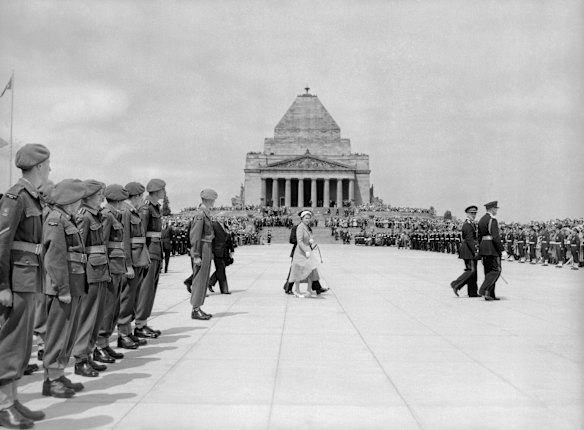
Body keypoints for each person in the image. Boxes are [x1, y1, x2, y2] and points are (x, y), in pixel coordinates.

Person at [0, 144, 51, 428]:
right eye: (48, 165)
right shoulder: (16, 197)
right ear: (40, 167)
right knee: (9, 343)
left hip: (29, 277)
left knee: (21, 345)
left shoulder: (33, 198)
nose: (50, 170)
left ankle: (13, 400)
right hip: (16, 280)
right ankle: (3, 405)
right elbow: (2, 242)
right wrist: (1, 285)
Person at [42, 179, 87, 399]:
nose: (79, 204)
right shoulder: (55, 220)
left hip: (73, 284)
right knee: (58, 335)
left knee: (68, 334)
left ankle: (58, 375)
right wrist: (62, 288)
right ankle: (52, 379)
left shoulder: (67, 219)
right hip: (63, 287)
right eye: (77, 199)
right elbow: (54, 258)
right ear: (69, 201)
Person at [72, 180, 111, 378]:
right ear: (87, 197)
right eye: (98, 195)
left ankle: (88, 354)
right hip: (89, 273)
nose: (102, 198)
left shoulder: (97, 216)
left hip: (100, 270)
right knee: (87, 317)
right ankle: (80, 359)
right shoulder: (84, 217)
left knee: (96, 318)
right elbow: (77, 248)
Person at [95, 184, 129, 364]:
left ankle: (105, 343)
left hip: (117, 267)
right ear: (117, 200)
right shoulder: (107, 216)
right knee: (107, 308)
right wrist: (106, 269)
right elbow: (103, 244)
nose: (124, 204)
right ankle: (99, 344)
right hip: (110, 268)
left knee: (114, 308)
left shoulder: (115, 215)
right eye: (123, 200)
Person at [117, 182, 150, 349]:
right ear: (136, 197)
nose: (143, 199)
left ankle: (128, 332)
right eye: (141, 196)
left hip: (139, 260)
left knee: (133, 298)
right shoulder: (126, 212)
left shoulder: (132, 211)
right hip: (132, 262)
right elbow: (125, 241)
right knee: (127, 299)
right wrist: (127, 264)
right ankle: (123, 333)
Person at [135, 178, 166, 339]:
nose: (164, 192)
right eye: (162, 189)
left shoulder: (155, 207)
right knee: (145, 290)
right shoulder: (146, 208)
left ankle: (143, 322)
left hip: (156, 251)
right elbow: (142, 234)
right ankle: (139, 324)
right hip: (150, 253)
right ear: (156, 191)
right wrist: (144, 255)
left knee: (151, 290)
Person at [189, 189, 217, 320]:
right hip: (202, 248)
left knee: (204, 279)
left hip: (207, 247)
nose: (214, 202)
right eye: (213, 199)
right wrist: (195, 255)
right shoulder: (200, 214)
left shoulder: (206, 213)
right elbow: (194, 236)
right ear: (208, 200)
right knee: (199, 279)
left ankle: (198, 307)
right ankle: (195, 309)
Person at [288, 210, 321, 298]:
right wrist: (305, 250)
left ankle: (309, 290)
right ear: (302, 218)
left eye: (309, 218)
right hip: (300, 252)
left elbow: (307, 238)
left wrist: (311, 241)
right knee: (298, 271)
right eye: (306, 218)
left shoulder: (306, 227)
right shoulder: (300, 227)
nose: (307, 220)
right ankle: (297, 290)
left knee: (311, 270)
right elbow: (299, 241)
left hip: (307, 250)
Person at [450, 205, 481, 297]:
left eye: (475, 213)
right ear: (467, 214)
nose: (473, 215)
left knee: (473, 272)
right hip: (468, 250)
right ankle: (456, 284)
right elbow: (470, 240)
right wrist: (475, 251)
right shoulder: (467, 225)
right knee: (471, 270)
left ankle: (473, 292)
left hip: (469, 249)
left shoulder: (472, 224)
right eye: (472, 213)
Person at [477, 201, 505, 301]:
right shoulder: (492, 220)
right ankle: (484, 289)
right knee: (496, 270)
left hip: (484, 247)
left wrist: (481, 249)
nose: (496, 210)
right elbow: (496, 237)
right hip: (492, 248)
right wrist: (502, 250)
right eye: (496, 208)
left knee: (488, 271)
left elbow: (479, 237)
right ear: (492, 209)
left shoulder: (481, 220)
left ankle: (489, 294)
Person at [208, 212, 234, 294]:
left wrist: (232, 250)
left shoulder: (225, 226)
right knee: (221, 270)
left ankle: (210, 282)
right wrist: (212, 251)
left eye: (224, 217)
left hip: (225, 251)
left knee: (220, 269)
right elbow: (211, 240)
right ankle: (224, 289)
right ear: (217, 217)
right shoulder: (214, 225)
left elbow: (229, 239)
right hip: (217, 251)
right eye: (221, 217)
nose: (223, 218)